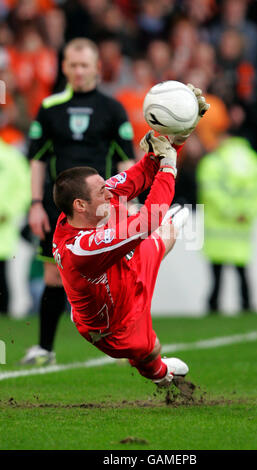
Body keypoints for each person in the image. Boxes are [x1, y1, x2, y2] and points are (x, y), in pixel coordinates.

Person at [51, 85, 209, 384]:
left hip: (124, 267)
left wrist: (180, 133)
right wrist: (169, 170)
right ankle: (159, 373)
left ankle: (157, 366)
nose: (107, 190)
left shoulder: (82, 209)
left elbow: (142, 174)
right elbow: (148, 219)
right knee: (150, 354)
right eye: (101, 190)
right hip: (115, 325)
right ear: (80, 204)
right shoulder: (81, 249)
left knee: (169, 225)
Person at [21, 37, 135, 365]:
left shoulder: (112, 109)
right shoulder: (50, 107)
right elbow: (38, 160)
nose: (79, 71)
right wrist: (35, 203)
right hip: (60, 207)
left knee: (115, 273)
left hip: (103, 207)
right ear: (64, 67)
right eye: (73, 65)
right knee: (54, 276)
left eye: (85, 65)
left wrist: (128, 204)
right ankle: (45, 348)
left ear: (97, 67)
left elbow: (126, 161)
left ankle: (125, 342)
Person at [196, 136, 257, 314]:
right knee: (242, 269)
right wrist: (246, 212)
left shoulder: (214, 162)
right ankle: (246, 304)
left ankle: (213, 304)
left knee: (216, 272)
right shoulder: (256, 162)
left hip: (217, 228)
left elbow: (209, 190)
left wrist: (229, 210)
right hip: (242, 229)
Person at [0, 138, 30, 314]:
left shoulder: (11, 156)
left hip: (7, 227)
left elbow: (24, 189)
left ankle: (6, 311)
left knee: (5, 273)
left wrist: (9, 211)